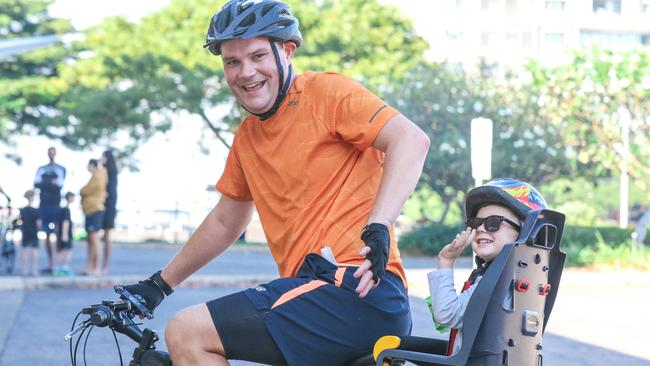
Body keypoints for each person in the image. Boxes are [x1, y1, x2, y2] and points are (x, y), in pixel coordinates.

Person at [122, 1, 430, 365]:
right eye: (232, 62)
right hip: (311, 293)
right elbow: (226, 220)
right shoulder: (248, 137)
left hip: (355, 289)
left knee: (188, 332)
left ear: (286, 51)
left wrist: (378, 225)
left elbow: (410, 140)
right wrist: (158, 286)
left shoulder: (325, 93)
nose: (245, 72)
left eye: (256, 56)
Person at [427, 178, 548, 356]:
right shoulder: (526, 281)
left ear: (524, 233)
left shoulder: (496, 281)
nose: (481, 228)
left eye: (493, 222)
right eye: (475, 223)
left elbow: (447, 314)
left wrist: (446, 261)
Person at [34, 146, 66, 273]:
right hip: (43, 205)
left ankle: (58, 264)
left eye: (53, 152)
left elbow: (59, 185)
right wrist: (50, 183)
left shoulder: (61, 168)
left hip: (56, 205)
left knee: (57, 234)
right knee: (46, 234)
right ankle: (50, 263)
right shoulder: (41, 168)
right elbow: (36, 184)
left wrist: (45, 183)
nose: (51, 154)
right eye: (49, 152)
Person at [80, 159, 107, 276]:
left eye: (88, 165)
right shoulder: (95, 176)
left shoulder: (99, 175)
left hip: (95, 209)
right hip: (90, 210)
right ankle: (90, 267)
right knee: (90, 240)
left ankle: (97, 268)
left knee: (95, 239)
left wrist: (82, 191)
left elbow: (85, 190)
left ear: (92, 165)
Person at [100, 149, 118, 275]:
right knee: (98, 237)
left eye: (103, 157)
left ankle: (105, 265)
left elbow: (110, 191)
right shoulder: (102, 171)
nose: (101, 159)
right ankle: (98, 265)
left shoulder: (111, 172)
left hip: (108, 207)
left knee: (106, 237)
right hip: (101, 206)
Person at [19, 190, 41, 276]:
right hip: (33, 232)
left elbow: (20, 222)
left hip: (25, 232)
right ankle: (34, 270)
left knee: (25, 251)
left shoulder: (23, 210)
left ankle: (24, 270)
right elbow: (38, 223)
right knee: (34, 252)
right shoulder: (35, 210)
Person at [54, 192, 75, 276]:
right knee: (67, 251)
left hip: (60, 233)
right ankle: (64, 268)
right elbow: (65, 223)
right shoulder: (66, 210)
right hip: (65, 234)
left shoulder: (61, 209)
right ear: (69, 197)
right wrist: (65, 234)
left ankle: (59, 268)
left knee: (61, 250)